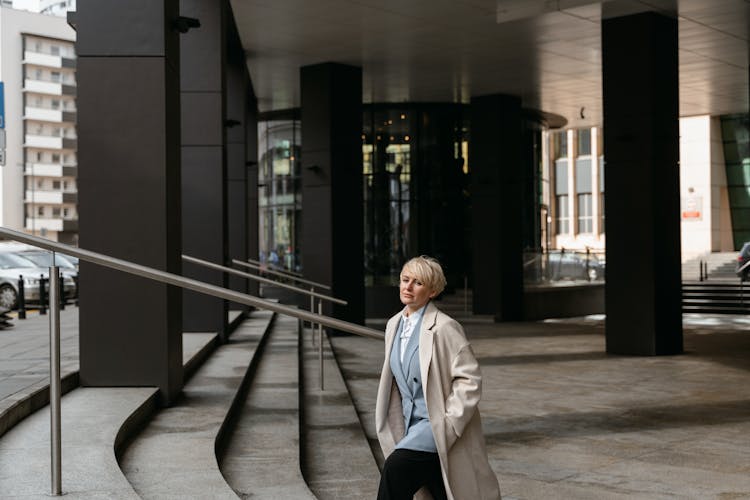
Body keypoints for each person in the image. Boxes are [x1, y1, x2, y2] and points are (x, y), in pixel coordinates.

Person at [375, 256, 501, 500]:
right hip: (409, 426)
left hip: (435, 424)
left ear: (432, 291)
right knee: (440, 488)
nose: (408, 287)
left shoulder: (445, 327)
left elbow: (470, 379)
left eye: (418, 283)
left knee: (395, 470)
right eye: (405, 280)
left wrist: (450, 423)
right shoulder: (393, 325)